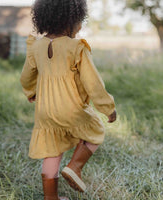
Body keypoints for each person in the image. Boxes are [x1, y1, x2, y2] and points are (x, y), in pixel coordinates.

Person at [20, 0, 116, 199]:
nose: (80, 26)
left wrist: (31, 92)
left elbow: (27, 76)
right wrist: (107, 107)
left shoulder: (36, 46)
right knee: (95, 130)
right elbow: (93, 82)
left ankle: (50, 197)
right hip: (71, 108)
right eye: (79, 21)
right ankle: (75, 167)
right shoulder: (76, 47)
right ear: (69, 20)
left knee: (52, 149)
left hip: (45, 112)